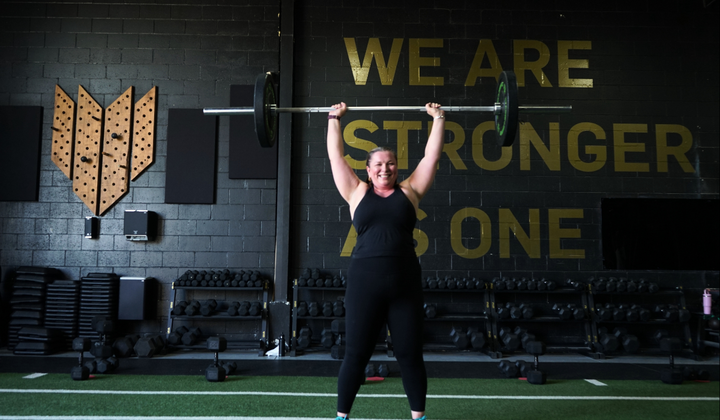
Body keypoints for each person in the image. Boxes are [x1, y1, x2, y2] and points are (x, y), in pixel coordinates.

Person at [326, 102, 446, 420]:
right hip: (365, 283)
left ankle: (418, 418)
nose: (384, 169)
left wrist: (439, 119)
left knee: (409, 354)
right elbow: (336, 157)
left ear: (397, 167)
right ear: (367, 169)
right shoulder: (355, 192)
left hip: (405, 283)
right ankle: (342, 418)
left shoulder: (410, 192)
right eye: (378, 164)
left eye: (390, 164)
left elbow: (431, 157)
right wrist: (334, 119)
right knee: (356, 354)